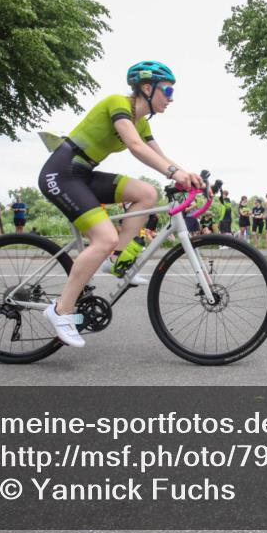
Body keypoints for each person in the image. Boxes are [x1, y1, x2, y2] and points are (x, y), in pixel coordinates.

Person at [37, 60, 203, 347]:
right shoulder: (118, 104)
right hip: (62, 173)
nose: (171, 98)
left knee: (147, 194)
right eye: (167, 90)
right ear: (147, 88)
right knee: (103, 238)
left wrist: (185, 175)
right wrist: (176, 173)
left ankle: (117, 258)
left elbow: (157, 154)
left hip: (83, 173)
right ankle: (61, 310)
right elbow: (136, 147)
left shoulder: (141, 121)